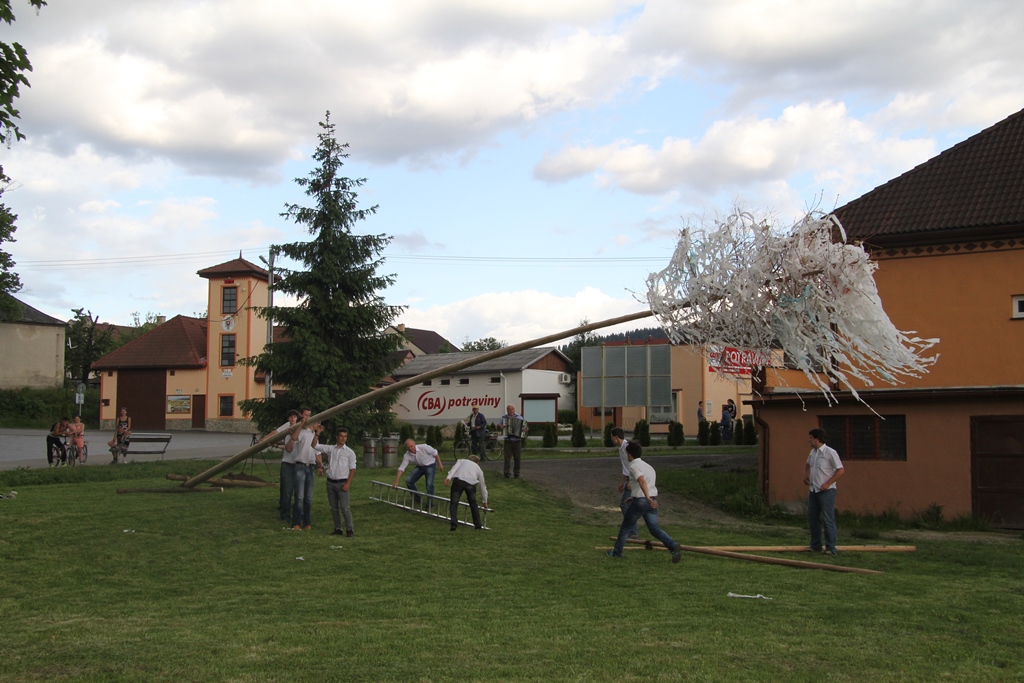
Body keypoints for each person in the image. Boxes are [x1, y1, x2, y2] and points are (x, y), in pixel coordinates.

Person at [607, 442, 683, 563]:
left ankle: (616, 553)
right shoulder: (649, 467)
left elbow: (641, 481)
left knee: (626, 527)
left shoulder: (633, 466)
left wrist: (645, 498)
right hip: (652, 501)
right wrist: (637, 497)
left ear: (630, 454)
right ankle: (672, 546)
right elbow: (647, 484)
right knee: (654, 529)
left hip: (643, 501)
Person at [803, 428, 845, 555]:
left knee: (827, 519)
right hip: (814, 490)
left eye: (811, 438)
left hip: (827, 491)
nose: (809, 440)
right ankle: (815, 545)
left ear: (817, 439)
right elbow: (807, 464)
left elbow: (840, 470)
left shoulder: (830, 452)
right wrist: (805, 475)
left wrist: (827, 483)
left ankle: (831, 548)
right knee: (813, 518)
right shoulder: (813, 453)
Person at [314, 427, 357, 537]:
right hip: (331, 482)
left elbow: (353, 469)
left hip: (342, 482)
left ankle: (349, 529)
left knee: (345, 507)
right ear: (337, 437)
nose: (343, 438)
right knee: (334, 507)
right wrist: (317, 434)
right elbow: (314, 445)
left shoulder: (350, 452)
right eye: (341, 436)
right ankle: (338, 528)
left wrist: (348, 483)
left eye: (345, 436)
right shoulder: (331, 449)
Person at [288, 417, 322, 530]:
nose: (319, 425)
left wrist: (320, 465)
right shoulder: (303, 432)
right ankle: (296, 522)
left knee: (308, 498)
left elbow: (317, 453)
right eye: (318, 423)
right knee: (299, 497)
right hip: (300, 466)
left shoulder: (314, 436)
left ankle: (307, 523)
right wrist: (301, 425)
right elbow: (294, 438)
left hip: (310, 467)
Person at [393, 438, 444, 507]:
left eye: (411, 446)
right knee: (409, 481)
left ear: (414, 444)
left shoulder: (424, 447)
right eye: (408, 447)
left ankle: (430, 503)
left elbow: (435, 453)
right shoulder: (407, 455)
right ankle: (417, 498)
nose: (410, 448)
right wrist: (396, 481)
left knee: (429, 484)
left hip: (430, 465)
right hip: (420, 466)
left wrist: (439, 463)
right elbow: (402, 468)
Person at [444, 454, 489, 531]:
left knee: (454, 503)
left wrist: (448, 478)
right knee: (473, 504)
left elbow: (454, 469)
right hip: (471, 484)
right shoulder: (478, 469)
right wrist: (485, 501)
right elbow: (482, 486)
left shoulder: (462, 461)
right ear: (477, 462)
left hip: (458, 481)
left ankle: (454, 524)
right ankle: (478, 524)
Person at [610, 427, 640, 540]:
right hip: (628, 478)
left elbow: (634, 465)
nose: (611, 439)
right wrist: (622, 481)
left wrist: (631, 481)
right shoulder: (621, 448)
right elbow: (626, 467)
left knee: (625, 505)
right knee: (627, 505)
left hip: (633, 478)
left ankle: (633, 532)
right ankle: (632, 531)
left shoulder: (627, 447)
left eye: (612, 436)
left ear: (616, 437)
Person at [274, 410, 301, 521]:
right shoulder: (287, 430)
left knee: (299, 492)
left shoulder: (301, 430)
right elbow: (287, 447)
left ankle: (298, 514)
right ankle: (285, 515)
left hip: (298, 463)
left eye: (294, 416)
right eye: (290, 417)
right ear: (288, 419)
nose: (292, 418)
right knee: (286, 490)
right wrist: (275, 444)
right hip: (287, 463)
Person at [499, 404, 527, 479]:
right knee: (507, 458)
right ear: (507, 410)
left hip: (517, 440)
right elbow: (498, 425)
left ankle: (517, 473)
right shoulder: (504, 418)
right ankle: (506, 473)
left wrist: (525, 430)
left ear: (514, 410)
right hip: (508, 440)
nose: (511, 411)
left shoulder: (519, 418)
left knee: (517, 458)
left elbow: (524, 427)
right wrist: (500, 426)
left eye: (512, 409)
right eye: (509, 409)